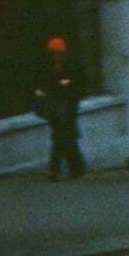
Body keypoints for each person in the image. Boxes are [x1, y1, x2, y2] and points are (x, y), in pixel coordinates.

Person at [31, 36, 86, 180]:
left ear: (63, 53)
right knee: (67, 137)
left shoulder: (72, 66)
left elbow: (82, 83)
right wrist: (40, 91)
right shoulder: (48, 67)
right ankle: (77, 168)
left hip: (68, 104)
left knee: (60, 137)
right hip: (55, 105)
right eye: (53, 54)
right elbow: (41, 83)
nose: (55, 57)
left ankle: (55, 170)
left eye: (58, 54)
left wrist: (70, 84)